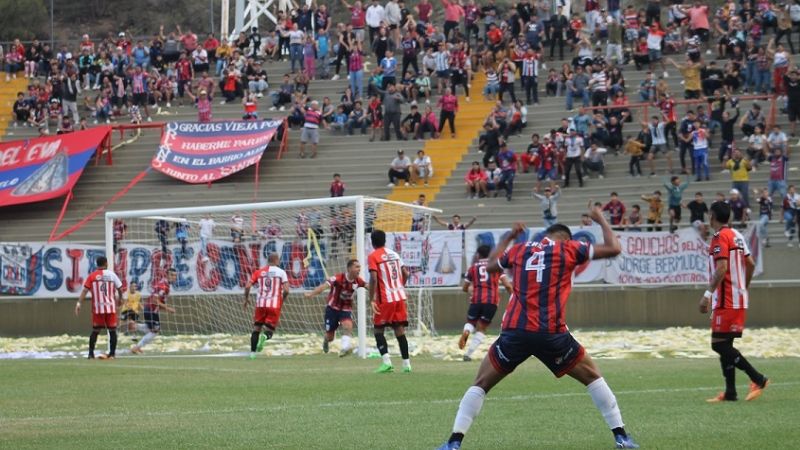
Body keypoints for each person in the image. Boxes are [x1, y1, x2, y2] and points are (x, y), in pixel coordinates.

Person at [436, 207, 639, 450]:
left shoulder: (521, 250)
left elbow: (491, 266)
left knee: (481, 383)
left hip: (515, 332)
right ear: (566, 238)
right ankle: (621, 437)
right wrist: (600, 219)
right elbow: (615, 248)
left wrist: (508, 236)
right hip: (551, 334)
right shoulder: (569, 249)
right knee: (593, 378)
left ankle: (453, 442)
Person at [701, 202, 769, 403]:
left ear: (712, 215)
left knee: (718, 345)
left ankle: (758, 378)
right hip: (738, 297)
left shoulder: (720, 237)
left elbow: (721, 268)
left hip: (726, 298)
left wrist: (707, 294)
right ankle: (730, 392)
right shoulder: (737, 235)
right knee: (725, 343)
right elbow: (751, 263)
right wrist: (744, 287)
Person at [459, 244, 513, 361]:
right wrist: (514, 296)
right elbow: (507, 285)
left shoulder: (473, 268)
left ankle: (467, 331)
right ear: (490, 255)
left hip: (476, 300)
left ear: (478, 255)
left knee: (471, 322)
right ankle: (468, 354)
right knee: (482, 328)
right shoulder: (496, 267)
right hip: (491, 301)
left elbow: (465, 288)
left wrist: (472, 291)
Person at [368, 229, 411, 373]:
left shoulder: (374, 256)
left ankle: (387, 363)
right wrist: (399, 286)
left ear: (372, 242)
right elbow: (406, 273)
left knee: (378, 329)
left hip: (385, 298)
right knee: (399, 329)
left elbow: (373, 278)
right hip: (399, 296)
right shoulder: (395, 254)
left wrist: (371, 299)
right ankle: (407, 365)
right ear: (385, 240)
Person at [305, 259, 366, 356]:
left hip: (345, 309)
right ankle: (326, 340)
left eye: (360, 267)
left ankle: (345, 348)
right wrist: (311, 294)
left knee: (348, 326)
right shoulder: (338, 278)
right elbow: (323, 287)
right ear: (349, 268)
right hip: (332, 309)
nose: (359, 269)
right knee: (330, 337)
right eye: (357, 267)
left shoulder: (358, 281)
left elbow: (368, 286)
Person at [74, 256, 123, 360]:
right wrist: (120, 299)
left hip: (98, 308)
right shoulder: (112, 275)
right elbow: (120, 288)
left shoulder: (92, 276)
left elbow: (84, 291)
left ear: (97, 264)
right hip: (110, 308)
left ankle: (91, 354)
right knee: (112, 331)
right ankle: (112, 354)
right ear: (106, 263)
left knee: (95, 331)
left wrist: (79, 303)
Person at [244, 253, 289, 359]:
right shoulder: (281, 272)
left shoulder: (259, 272)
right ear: (276, 260)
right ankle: (265, 337)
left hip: (260, 304)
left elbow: (247, 286)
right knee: (270, 330)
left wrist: (246, 299)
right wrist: (282, 300)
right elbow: (287, 290)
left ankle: (252, 354)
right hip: (274, 304)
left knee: (256, 328)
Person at [131, 269, 177, 354]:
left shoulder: (164, 284)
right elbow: (155, 301)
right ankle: (137, 347)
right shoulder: (164, 286)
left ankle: (136, 326)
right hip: (151, 311)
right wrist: (168, 308)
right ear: (167, 275)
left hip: (149, 309)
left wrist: (167, 310)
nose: (174, 277)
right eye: (172, 275)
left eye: (175, 275)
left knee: (150, 329)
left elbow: (158, 303)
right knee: (155, 331)